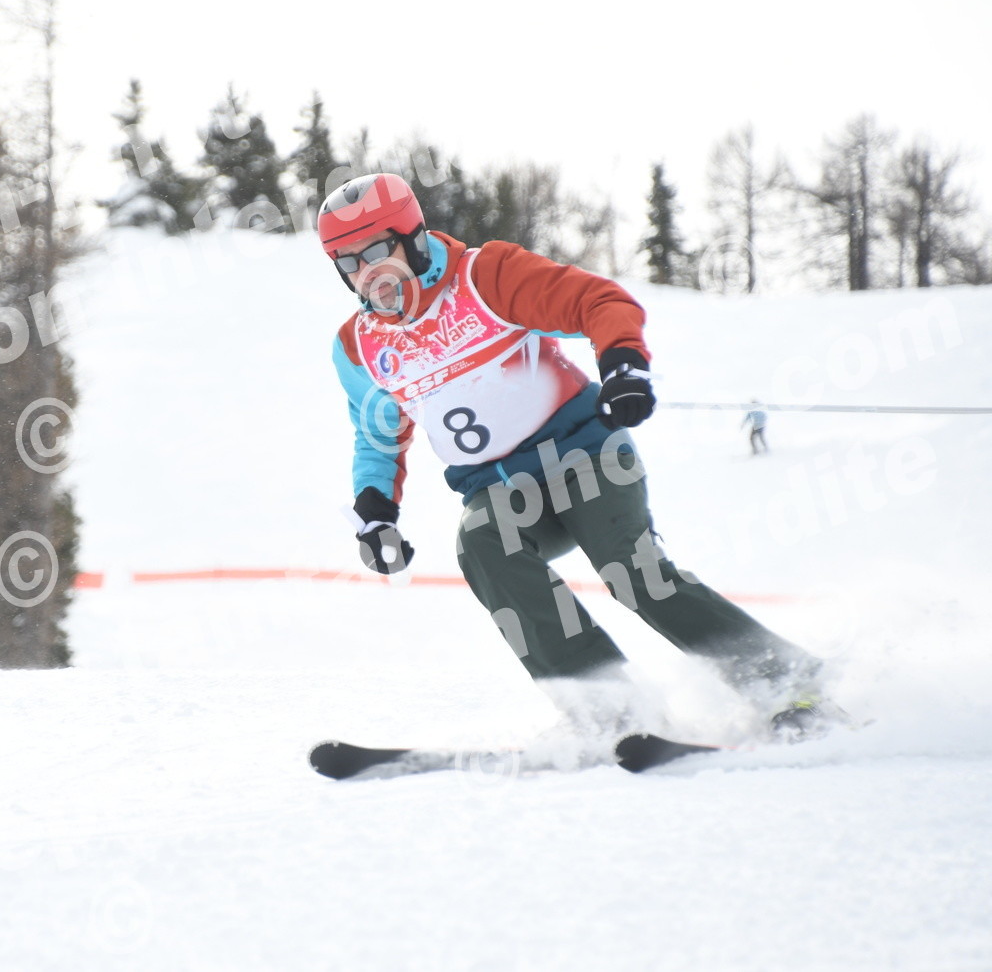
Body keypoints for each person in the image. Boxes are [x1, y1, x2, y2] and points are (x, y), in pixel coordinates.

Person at [321, 172, 837, 744]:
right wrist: (376, 513)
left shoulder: (484, 276)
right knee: (483, 544)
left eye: (376, 250)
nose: (367, 272)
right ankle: (610, 710)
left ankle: (791, 684)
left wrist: (623, 365)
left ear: (413, 238)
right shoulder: (360, 346)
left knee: (631, 570)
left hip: (585, 454)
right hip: (499, 488)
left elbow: (596, 300)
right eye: (348, 262)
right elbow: (377, 435)